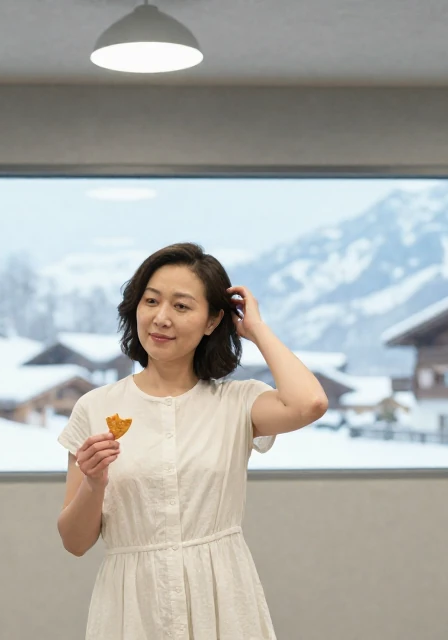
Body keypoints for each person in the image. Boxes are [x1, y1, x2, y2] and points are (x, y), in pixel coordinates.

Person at [56, 242, 329, 639]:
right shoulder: (95, 407)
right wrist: (94, 483)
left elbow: (310, 403)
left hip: (222, 599)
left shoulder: (237, 402)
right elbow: (75, 542)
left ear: (213, 320)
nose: (161, 318)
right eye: (151, 301)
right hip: (131, 609)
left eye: (181, 306)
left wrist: (256, 329)